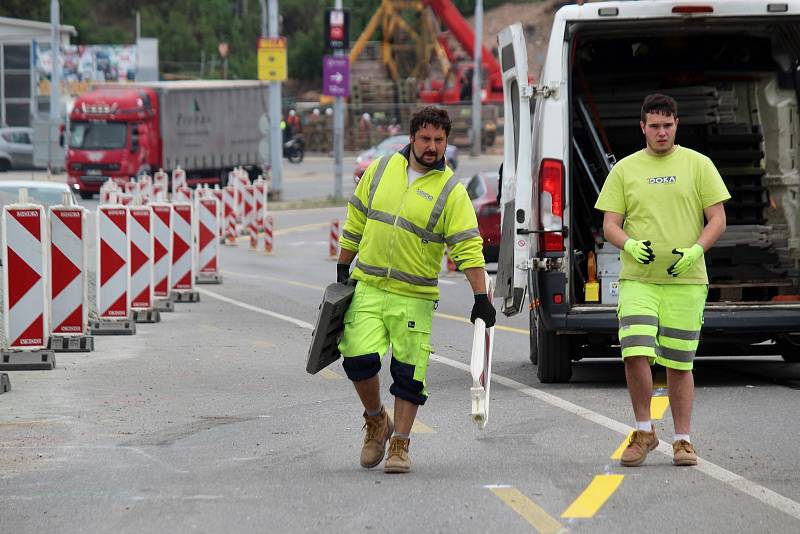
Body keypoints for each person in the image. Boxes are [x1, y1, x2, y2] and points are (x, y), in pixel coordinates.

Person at [337, 106, 495, 474]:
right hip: (370, 286)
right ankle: (376, 419)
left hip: (415, 297)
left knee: (409, 376)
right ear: (412, 137)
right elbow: (356, 217)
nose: (432, 146)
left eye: (439, 140)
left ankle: (400, 444)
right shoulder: (380, 170)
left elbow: (467, 246)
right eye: (425, 138)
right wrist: (343, 266)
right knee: (358, 360)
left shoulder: (451, 191)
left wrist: (480, 296)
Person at [594, 94, 730, 467]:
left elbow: (717, 218)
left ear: (676, 125)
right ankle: (644, 431)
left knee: (679, 362)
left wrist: (696, 251)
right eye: (654, 126)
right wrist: (630, 244)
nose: (661, 132)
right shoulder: (624, 170)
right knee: (635, 349)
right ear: (643, 128)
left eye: (667, 125)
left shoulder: (698, 165)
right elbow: (610, 225)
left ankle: (682, 440)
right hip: (639, 279)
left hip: (686, 281)